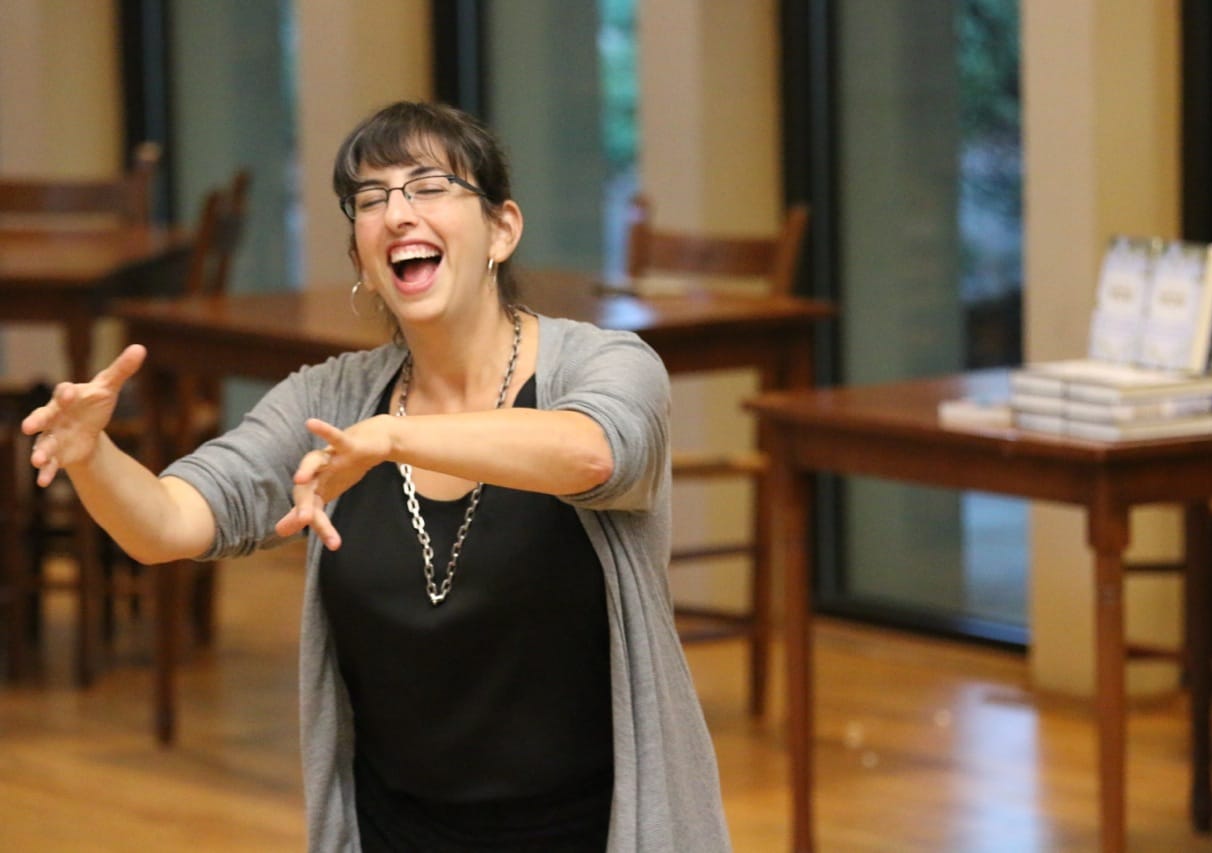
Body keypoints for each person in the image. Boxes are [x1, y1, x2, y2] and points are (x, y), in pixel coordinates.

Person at [23, 100, 732, 852]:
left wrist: (398, 435)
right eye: (370, 199)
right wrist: (91, 457)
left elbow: (595, 453)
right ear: (362, 257)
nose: (397, 213)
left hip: (595, 830)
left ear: (501, 229)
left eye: (428, 186)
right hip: (395, 831)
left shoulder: (602, 364)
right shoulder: (329, 401)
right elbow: (168, 523)